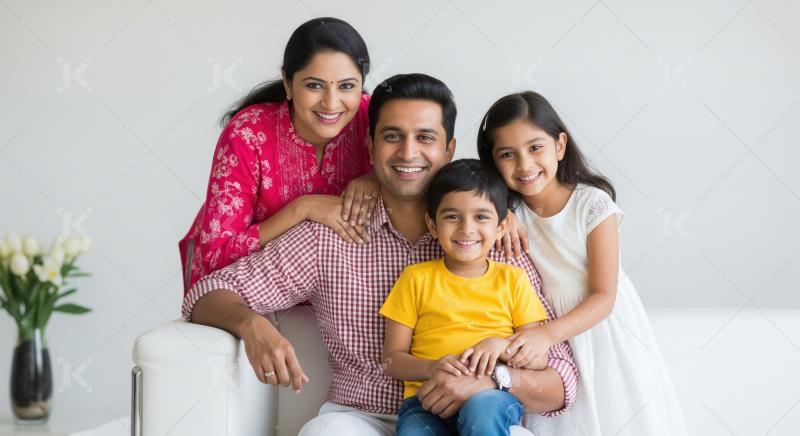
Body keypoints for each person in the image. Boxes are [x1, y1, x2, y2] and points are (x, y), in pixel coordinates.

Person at [182, 74, 578, 436]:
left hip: (477, 416)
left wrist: (494, 381)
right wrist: (253, 325)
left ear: (449, 149)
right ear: (371, 146)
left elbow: (562, 381)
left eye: (425, 137)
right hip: (361, 417)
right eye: (392, 136)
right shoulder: (330, 234)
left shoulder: (491, 241)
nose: (408, 153)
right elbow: (208, 292)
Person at [478, 91, 688, 435]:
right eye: (507, 155)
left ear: (559, 146)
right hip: (548, 342)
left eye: (535, 148)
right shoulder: (509, 214)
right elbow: (459, 192)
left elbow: (604, 296)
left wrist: (547, 335)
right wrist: (501, 213)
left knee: (615, 415)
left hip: (598, 329)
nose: (525, 165)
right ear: (493, 162)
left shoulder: (592, 204)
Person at [179, 17, 379, 294]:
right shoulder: (247, 133)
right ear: (287, 81)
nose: (332, 103)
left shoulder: (375, 120)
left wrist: (377, 178)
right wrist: (302, 209)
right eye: (314, 85)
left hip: (342, 296)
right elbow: (215, 256)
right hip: (247, 289)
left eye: (346, 86)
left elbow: (429, 175)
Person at [381, 159, 553, 436]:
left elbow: (538, 357)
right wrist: (432, 366)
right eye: (452, 216)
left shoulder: (513, 280)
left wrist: (499, 346)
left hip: (491, 398)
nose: (466, 229)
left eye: (481, 217)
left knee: (482, 413)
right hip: (427, 400)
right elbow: (392, 360)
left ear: (501, 226)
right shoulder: (415, 278)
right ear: (433, 224)